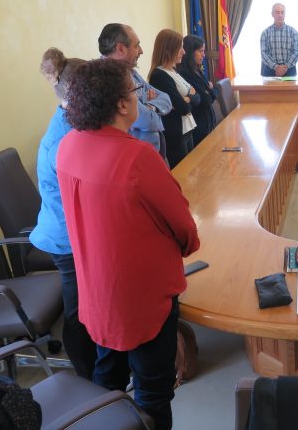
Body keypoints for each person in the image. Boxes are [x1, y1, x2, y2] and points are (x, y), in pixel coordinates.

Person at [57, 58, 200, 430]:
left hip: (97, 293)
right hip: (142, 301)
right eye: (135, 91)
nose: (139, 97)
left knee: (108, 382)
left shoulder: (68, 145)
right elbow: (184, 227)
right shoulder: (138, 157)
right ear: (122, 104)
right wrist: (187, 245)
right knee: (153, 394)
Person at [29, 48, 96, 380]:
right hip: (65, 237)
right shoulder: (64, 140)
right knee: (78, 309)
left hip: (70, 228)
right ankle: (87, 378)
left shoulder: (73, 123)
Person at [98, 23, 172, 160]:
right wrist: (152, 109)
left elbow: (166, 98)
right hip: (136, 159)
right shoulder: (106, 78)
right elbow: (147, 121)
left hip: (152, 152)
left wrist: (150, 107)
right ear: (120, 48)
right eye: (137, 46)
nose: (141, 51)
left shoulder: (130, 72)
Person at [149, 29, 201, 168]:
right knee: (183, 172)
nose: (184, 52)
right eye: (180, 48)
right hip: (176, 133)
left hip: (188, 128)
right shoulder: (159, 75)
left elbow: (198, 98)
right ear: (168, 50)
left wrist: (187, 98)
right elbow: (183, 108)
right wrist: (189, 98)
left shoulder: (174, 71)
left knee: (193, 170)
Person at [176, 34, 218, 146]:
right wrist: (209, 89)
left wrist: (209, 90)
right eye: (200, 51)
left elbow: (214, 94)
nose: (203, 55)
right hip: (198, 127)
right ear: (190, 52)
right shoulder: (184, 73)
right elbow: (206, 99)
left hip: (208, 123)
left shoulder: (196, 70)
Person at [260, 3, 298, 77]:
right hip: (270, 70)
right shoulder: (265, 33)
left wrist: (285, 67)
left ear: (285, 14)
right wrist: (276, 67)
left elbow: (297, 52)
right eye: (277, 12)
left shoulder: (293, 32)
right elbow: (263, 53)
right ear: (272, 14)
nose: (280, 15)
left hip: (289, 70)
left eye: (282, 12)